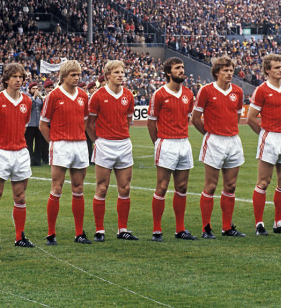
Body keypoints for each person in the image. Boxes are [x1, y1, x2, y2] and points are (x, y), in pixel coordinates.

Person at [192, 56, 246, 238]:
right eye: (225, 70)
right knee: (211, 186)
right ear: (216, 72)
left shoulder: (237, 92)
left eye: (231, 70)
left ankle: (227, 227)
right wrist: (209, 134)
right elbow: (195, 119)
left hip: (233, 140)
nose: (230, 73)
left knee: (230, 186)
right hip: (214, 140)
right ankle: (206, 228)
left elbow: (237, 117)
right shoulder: (206, 91)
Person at [0, 63, 35, 249]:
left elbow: (25, 125)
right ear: (6, 79)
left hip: (20, 152)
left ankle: (19, 236)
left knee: (20, 197)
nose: (18, 80)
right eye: (14, 77)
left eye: (21, 77)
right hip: (1, 152)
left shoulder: (27, 101)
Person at [247, 54, 281, 235]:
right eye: (276, 67)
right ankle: (259, 224)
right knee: (264, 182)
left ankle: (279, 223)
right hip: (269, 137)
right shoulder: (261, 90)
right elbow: (251, 118)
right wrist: (264, 134)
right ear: (267, 70)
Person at [40, 60, 91, 245]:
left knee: (78, 188)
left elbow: (85, 121)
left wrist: (77, 135)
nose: (77, 78)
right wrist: (54, 142)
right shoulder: (53, 95)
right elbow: (43, 124)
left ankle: (79, 233)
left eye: (78, 74)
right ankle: (51, 233)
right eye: (73, 75)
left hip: (79, 144)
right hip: (60, 144)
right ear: (63, 76)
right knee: (57, 188)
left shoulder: (84, 96)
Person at [87, 60, 138, 242]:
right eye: (116, 72)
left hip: (124, 144)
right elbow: (89, 124)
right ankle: (99, 230)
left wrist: (122, 137)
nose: (121, 75)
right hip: (104, 145)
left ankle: (122, 229)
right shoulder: (98, 96)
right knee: (102, 188)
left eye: (122, 72)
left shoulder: (128, 96)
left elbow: (128, 121)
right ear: (108, 75)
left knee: (125, 188)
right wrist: (98, 141)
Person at [147, 57, 197, 242]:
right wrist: (158, 143)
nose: (181, 70)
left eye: (182, 67)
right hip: (166, 142)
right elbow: (151, 124)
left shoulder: (189, 94)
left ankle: (180, 229)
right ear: (169, 72)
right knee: (162, 187)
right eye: (177, 68)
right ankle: (157, 230)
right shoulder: (159, 94)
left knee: (182, 187)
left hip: (184, 142)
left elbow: (188, 118)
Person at [25, 82, 45, 166]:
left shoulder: (39, 98)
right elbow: (28, 105)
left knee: (39, 143)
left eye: (37, 89)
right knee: (29, 144)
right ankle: (30, 160)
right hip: (30, 124)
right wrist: (33, 97)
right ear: (29, 90)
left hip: (38, 124)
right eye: (33, 89)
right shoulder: (27, 98)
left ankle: (37, 161)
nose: (35, 90)